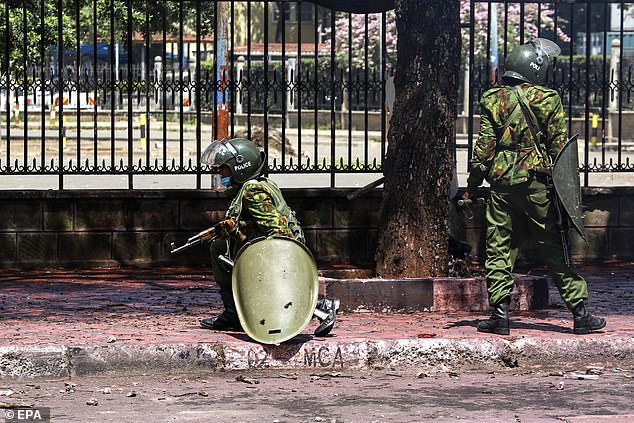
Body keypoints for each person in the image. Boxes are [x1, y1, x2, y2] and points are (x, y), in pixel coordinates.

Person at [462, 39, 605, 335]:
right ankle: (580, 314)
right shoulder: (548, 99)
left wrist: (474, 183)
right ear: (536, 69)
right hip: (538, 185)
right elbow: (559, 147)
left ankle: (500, 316)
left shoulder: (492, 99)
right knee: (555, 246)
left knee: (499, 247)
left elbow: (484, 147)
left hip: (502, 185)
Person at [198, 137, 339, 337]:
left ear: (240, 168)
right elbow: (259, 226)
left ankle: (321, 306)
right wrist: (234, 230)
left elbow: (278, 230)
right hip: (272, 246)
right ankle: (233, 314)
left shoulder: (252, 191)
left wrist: (270, 265)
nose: (220, 173)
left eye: (224, 169)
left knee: (269, 285)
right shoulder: (256, 185)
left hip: (279, 251)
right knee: (220, 247)